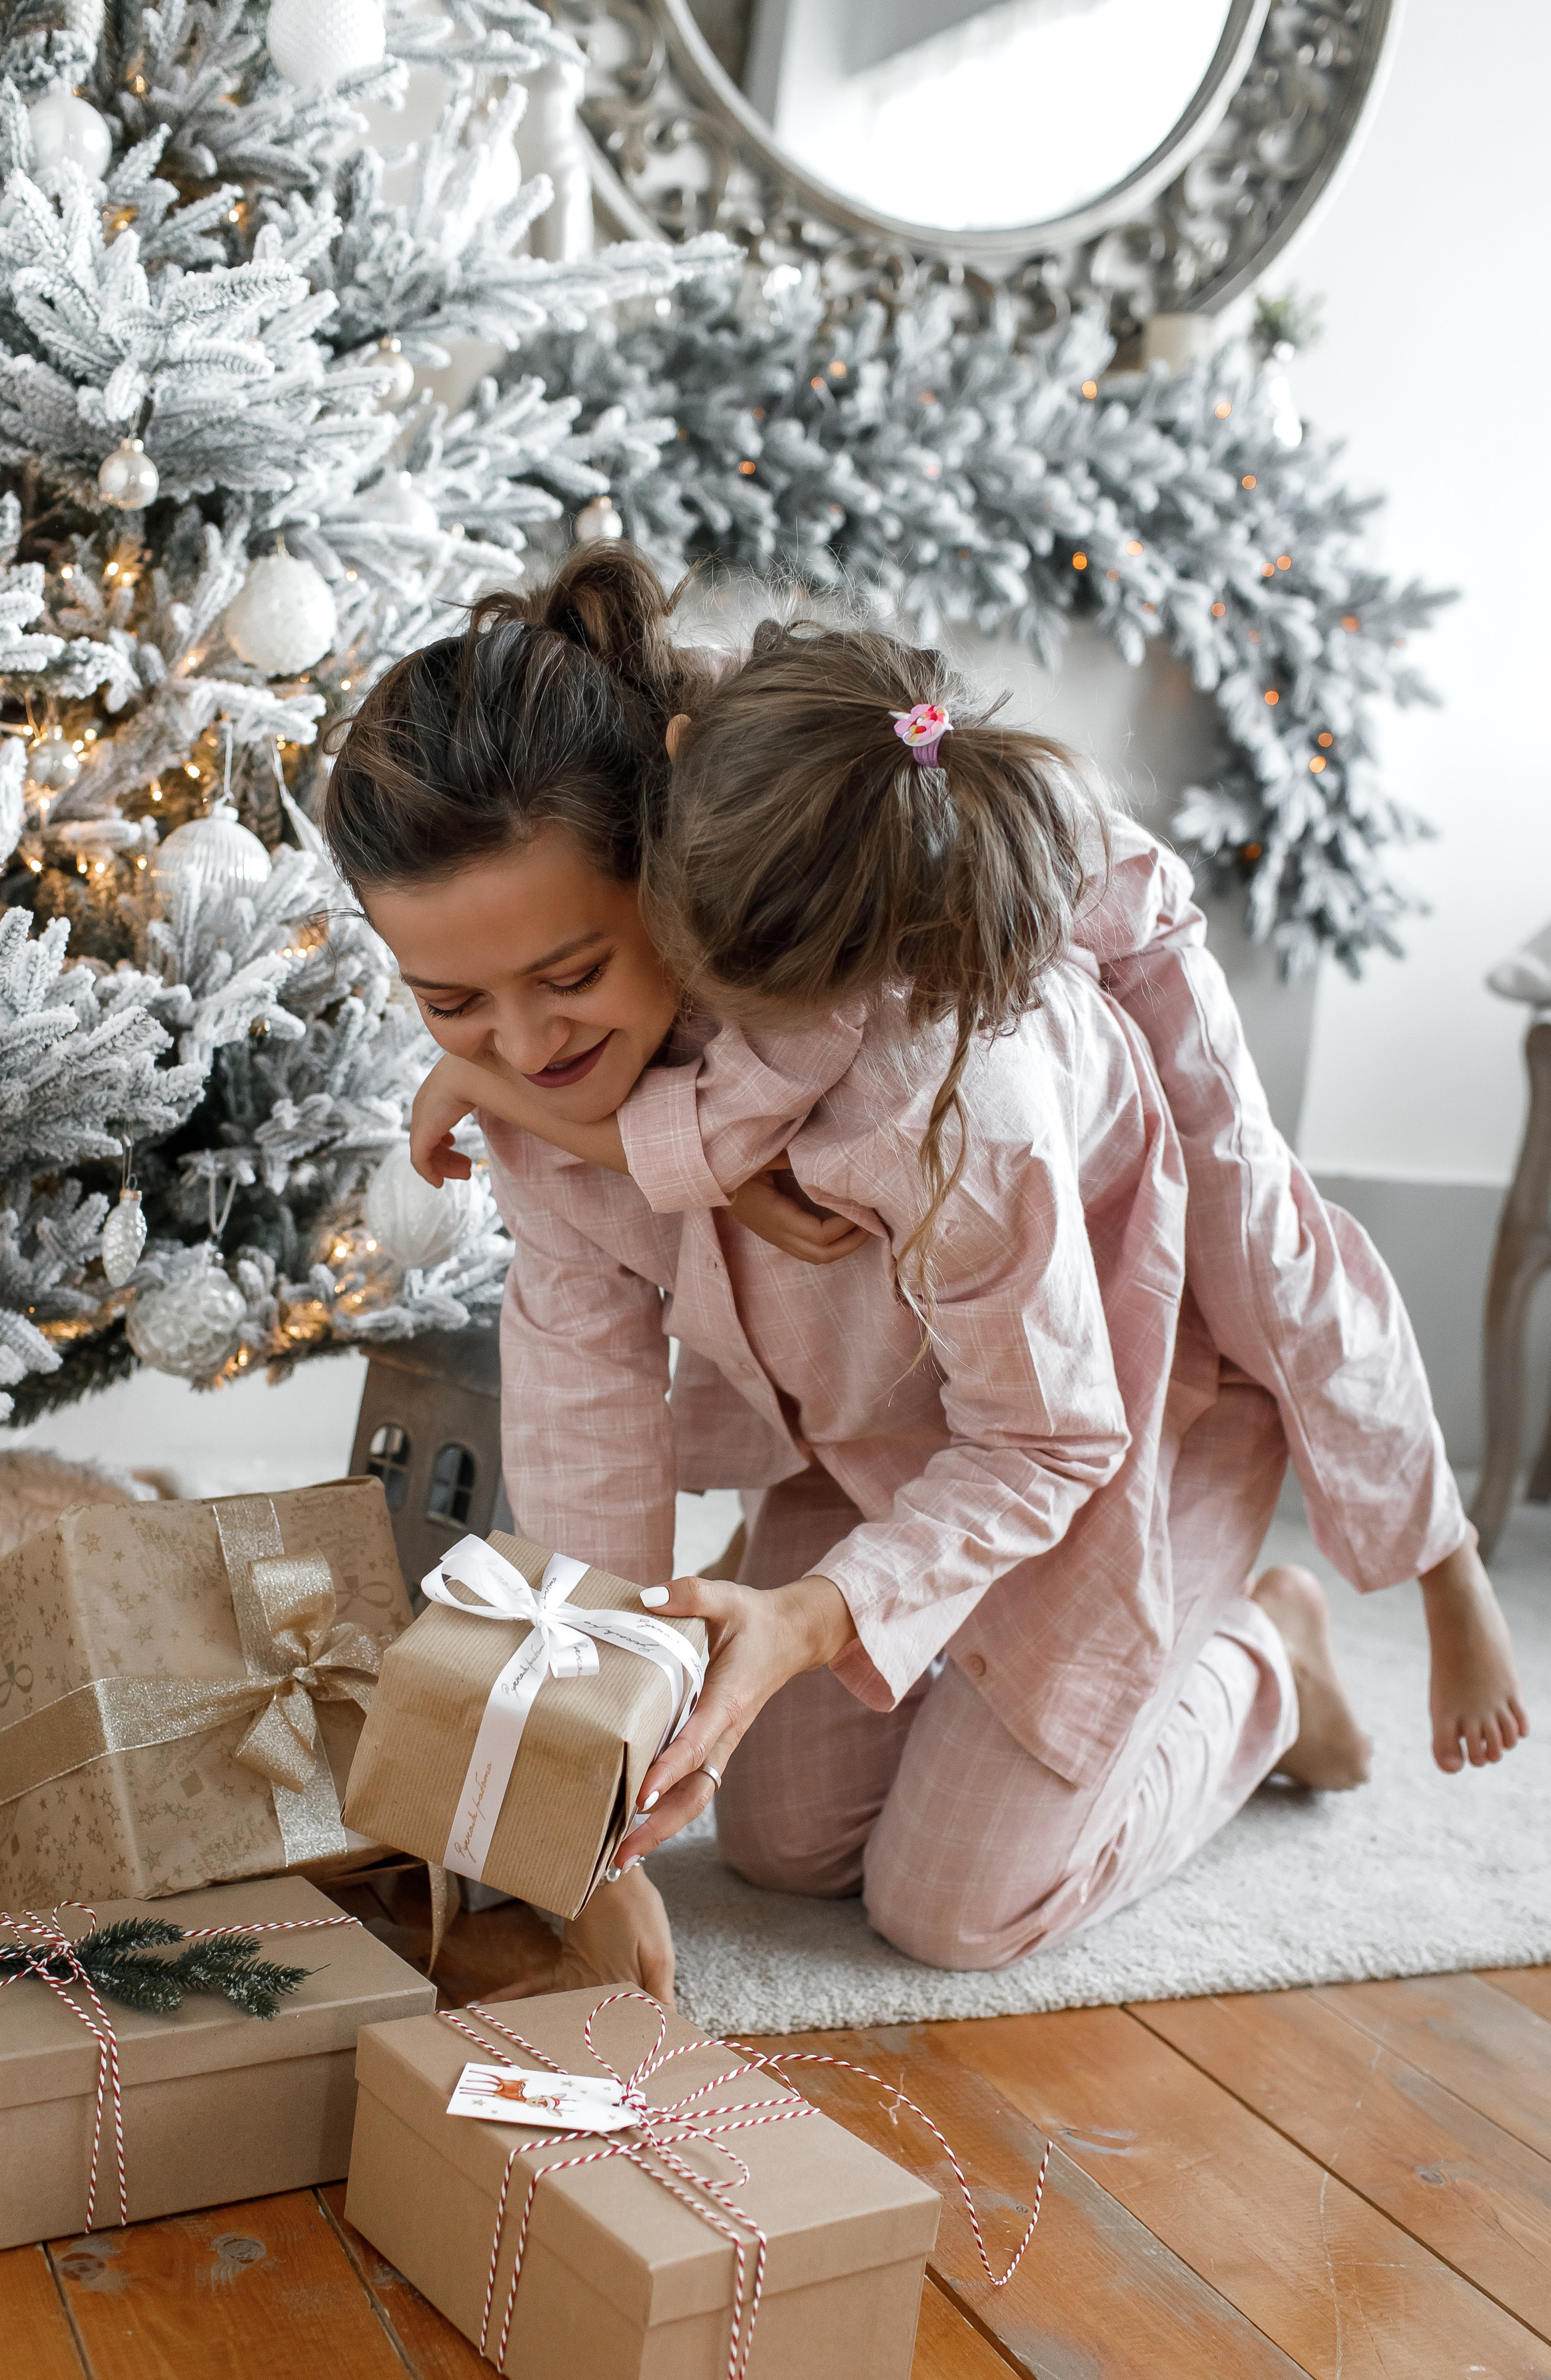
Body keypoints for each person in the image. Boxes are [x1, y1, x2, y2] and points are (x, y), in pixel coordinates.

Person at [329, 548, 1526, 1998]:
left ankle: (1266, 1656)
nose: (520, 1049)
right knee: (778, 1850)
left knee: (950, 1910)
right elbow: (583, 1430)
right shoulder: (549, 1097)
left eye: (569, 976)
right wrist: (599, 1833)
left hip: (1105, 1436)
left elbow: (1064, 1422)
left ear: (671, 867)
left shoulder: (942, 1083)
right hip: (866, 1445)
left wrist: (813, 1619)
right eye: (451, 1006)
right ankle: (972, 1657)